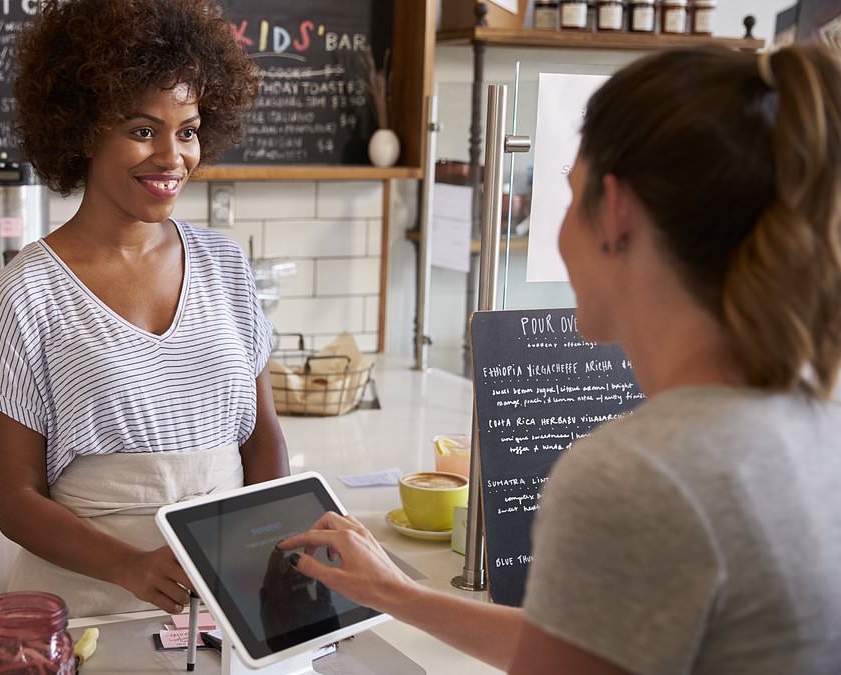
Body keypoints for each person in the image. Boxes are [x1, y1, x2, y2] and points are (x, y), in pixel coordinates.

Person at [279, 44, 841, 674]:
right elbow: (586, 643)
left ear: (617, 213)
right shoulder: (812, 422)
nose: (559, 231)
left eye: (570, 195)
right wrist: (397, 594)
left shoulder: (636, 476)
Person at [0, 0, 289, 618]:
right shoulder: (26, 292)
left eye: (187, 130)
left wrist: (271, 542)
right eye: (143, 130)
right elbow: (15, 500)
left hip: (226, 597)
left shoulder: (224, 265)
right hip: (90, 603)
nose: (172, 158)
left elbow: (261, 435)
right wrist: (130, 567)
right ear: (84, 130)